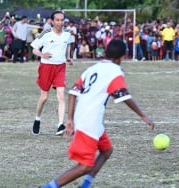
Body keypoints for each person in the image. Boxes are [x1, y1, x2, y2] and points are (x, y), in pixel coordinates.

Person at [41, 39, 155, 188]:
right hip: (90, 120)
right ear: (122, 57)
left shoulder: (93, 69)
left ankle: (86, 185)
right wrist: (143, 115)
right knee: (84, 166)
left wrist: (70, 119)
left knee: (107, 150)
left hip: (87, 117)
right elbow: (123, 96)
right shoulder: (115, 71)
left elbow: (73, 93)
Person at [30, 11, 73, 136]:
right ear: (52, 21)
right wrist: (42, 54)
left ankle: (60, 124)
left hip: (60, 67)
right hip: (46, 67)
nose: (60, 22)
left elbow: (68, 45)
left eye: (62, 20)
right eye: (57, 20)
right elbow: (34, 49)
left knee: (61, 96)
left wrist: (68, 57)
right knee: (44, 98)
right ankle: (37, 119)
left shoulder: (67, 34)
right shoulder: (46, 33)